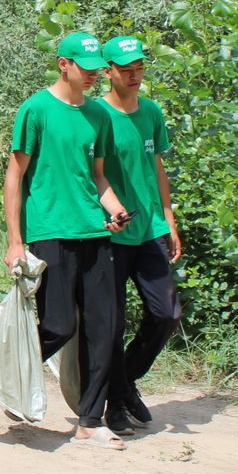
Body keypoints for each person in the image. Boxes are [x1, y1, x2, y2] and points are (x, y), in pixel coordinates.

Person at [2, 31, 131, 449]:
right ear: (63, 64)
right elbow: (15, 176)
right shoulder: (36, 109)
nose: (93, 75)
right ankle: (12, 377)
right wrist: (15, 241)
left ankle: (90, 421)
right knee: (57, 326)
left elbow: (97, 177)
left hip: (94, 234)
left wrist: (114, 209)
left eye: (97, 69)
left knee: (103, 327)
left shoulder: (99, 116)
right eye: (86, 68)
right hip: (49, 231)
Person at [97, 36, 183, 434]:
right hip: (112, 233)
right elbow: (87, 175)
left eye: (139, 69)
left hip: (149, 229)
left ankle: (125, 382)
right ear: (108, 71)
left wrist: (169, 218)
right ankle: (114, 403)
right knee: (112, 322)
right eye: (126, 70)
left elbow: (157, 167)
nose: (134, 76)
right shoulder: (96, 114)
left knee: (166, 314)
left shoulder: (151, 112)